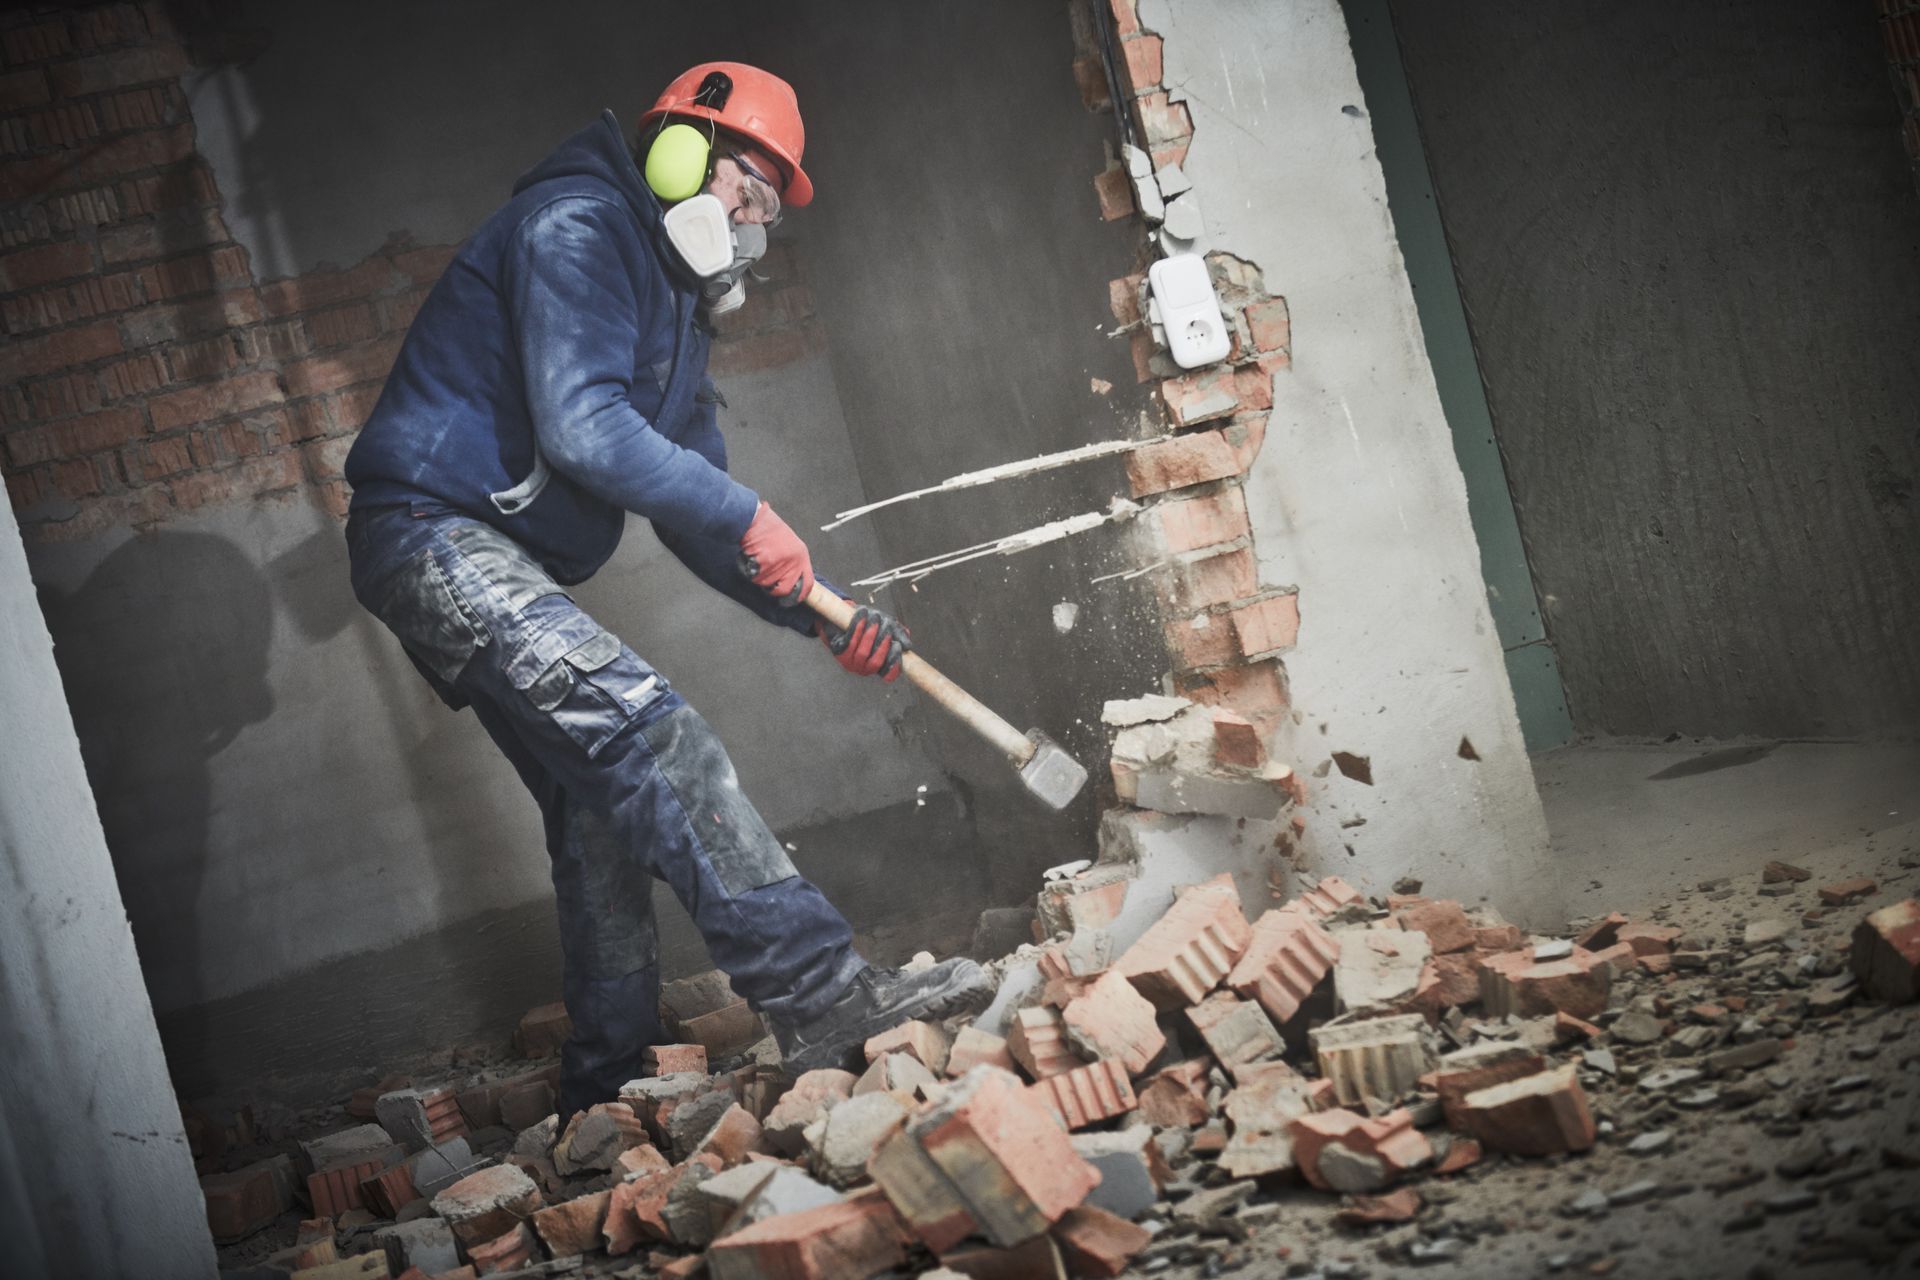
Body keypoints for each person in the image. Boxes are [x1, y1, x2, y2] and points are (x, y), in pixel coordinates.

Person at [342, 62, 993, 1121]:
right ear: (677, 151)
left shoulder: (677, 311)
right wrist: (748, 518)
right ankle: (825, 992)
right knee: (655, 735)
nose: (750, 222)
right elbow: (585, 429)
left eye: (769, 209)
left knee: (602, 810)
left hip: (474, 554)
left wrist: (817, 609)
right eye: (747, 186)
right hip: (431, 533)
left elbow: (701, 509)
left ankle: (608, 1091)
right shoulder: (578, 228)